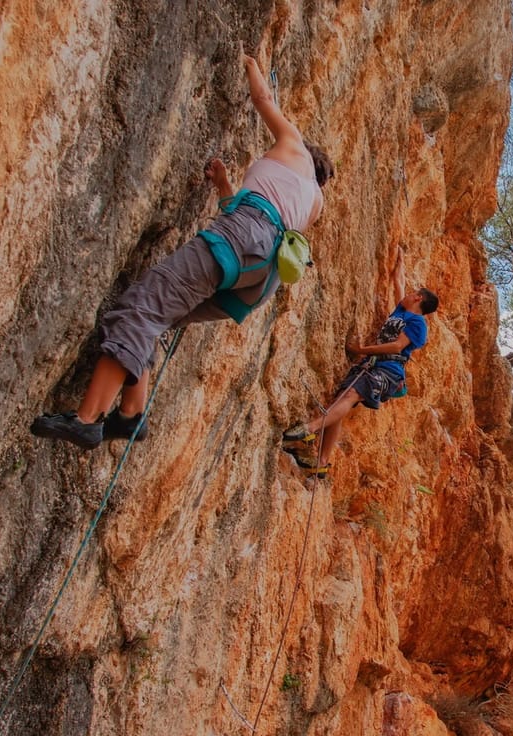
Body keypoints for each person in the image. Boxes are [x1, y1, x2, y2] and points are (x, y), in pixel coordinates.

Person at [31, 53, 334, 449]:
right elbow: (259, 223)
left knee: (143, 306)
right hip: (261, 275)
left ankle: (88, 419)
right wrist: (225, 187)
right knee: (159, 315)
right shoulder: (313, 203)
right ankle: (130, 416)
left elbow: (264, 101)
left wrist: (249, 63)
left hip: (246, 237)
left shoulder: (294, 146)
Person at [280, 254, 439, 478]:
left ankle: (310, 429)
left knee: (352, 394)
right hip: (372, 365)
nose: (408, 293)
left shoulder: (418, 324)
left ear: (418, 298)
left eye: (414, 292)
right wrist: (400, 261)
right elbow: (398, 283)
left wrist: (361, 350)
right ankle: (322, 462)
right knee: (340, 401)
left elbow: (396, 346)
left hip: (389, 371)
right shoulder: (401, 312)